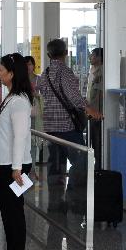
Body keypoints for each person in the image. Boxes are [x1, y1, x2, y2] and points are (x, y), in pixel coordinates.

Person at [0, 53, 34, 250]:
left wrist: (16, 168)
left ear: (12, 73)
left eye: (1, 69)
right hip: (7, 163)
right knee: (8, 211)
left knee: (13, 211)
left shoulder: (19, 102)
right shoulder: (11, 97)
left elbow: (20, 136)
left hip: (14, 166)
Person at [37, 39, 103, 180]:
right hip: (65, 125)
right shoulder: (65, 72)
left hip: (49, 126)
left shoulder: (45, 73)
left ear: (48, 55)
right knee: (81, 160)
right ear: (66, 53)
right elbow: (74, 97)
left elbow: (42, 92)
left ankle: (55, 199)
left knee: (55, 163)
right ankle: (74, 197)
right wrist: (89, 109)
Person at [86, 48, 104, 164]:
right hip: (90, 110)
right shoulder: (92, 70)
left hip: (96, 111)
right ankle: (91, 165)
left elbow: (100, 94)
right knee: (90, 139)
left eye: (92, 56)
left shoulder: (102, 72)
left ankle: (98, 166)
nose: (90, 58)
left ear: (99, 57)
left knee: (97, 140)